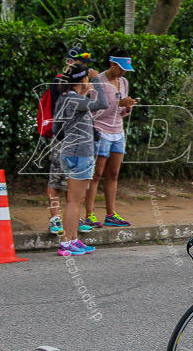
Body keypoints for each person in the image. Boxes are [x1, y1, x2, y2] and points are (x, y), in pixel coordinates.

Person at [53, 63, 108, 256]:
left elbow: (56, 129)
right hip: (81, 154)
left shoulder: (64, 99)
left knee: (74, 199)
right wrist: (97, 81)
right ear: (83, 79)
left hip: (68, 152)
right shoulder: (75, 99)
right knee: (74, 201)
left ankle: (73, 239)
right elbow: (103, 103)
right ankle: (67, 242)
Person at [84, 51, 137, 228]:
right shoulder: (97, 81)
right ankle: (89, 214)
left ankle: (110, 213)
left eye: (126, 70)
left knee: (113, 174)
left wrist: (127, 107)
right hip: (101, 130)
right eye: (121, 69)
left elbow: (120, 112)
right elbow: (96, 110)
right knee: (97, 173)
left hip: (118, 132)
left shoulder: (123, 82)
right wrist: (118, 104)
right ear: (112, 64)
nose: (123, 73)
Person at [47, 52, 94, 237]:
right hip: (68, 141)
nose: (85, 70)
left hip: (71, 140)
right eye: (81, 65)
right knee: (57, 182)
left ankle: (71, 227)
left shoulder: (74, 91)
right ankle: (56, 219)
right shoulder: (59, 84)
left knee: (74, 194)